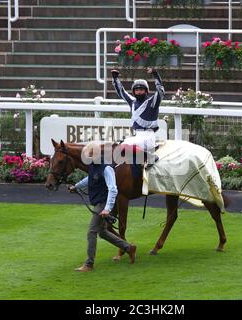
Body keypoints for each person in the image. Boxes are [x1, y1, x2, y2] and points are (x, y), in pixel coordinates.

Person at [68, 142, 137, 272]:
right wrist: (76, 186)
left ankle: (89, 264)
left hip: (103, 203)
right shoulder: (94, 166)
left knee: (92, 232)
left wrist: (107, 208)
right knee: (103, 232)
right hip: (99, 202)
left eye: (89, 154)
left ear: (95, 154)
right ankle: (128, 248)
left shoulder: (106, 168)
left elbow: (113, 189)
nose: (86, 157)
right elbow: (89, 179)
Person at [111, 67, 165, 165]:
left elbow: (160, 92)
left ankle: (150, 157)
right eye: (136, 90)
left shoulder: (152, 102)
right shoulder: (132, 101)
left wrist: (155, 74)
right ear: (134, 92)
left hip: (148, 136)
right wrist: (115, 78)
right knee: (117, 146)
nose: (139, 92)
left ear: (146, 91)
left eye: (141, 89)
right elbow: (121, 92)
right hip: (137, 136)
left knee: (124, 145)